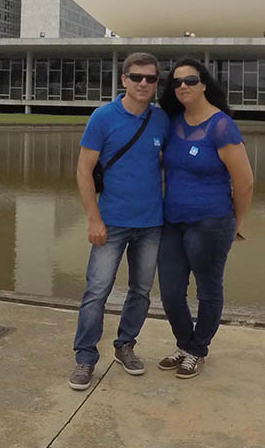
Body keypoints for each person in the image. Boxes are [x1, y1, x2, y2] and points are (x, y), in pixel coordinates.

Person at [68, 51, 170, 391]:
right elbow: (83, 171)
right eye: (136, 77)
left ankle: (125, 345)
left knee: (141, 291)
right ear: (124, 79)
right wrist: (93, 219)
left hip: (151, 223)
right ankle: (85, 357)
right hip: (110, 222)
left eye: (150, 78)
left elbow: (168, 163)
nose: (143, 83)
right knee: (96, 291)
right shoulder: (103, 117)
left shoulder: (161, 120)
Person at [154, 58, 254, 379]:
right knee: (170, 293)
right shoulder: (172, 123)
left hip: (211, 222)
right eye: (177, 82)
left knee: (208, 291)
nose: (183, 86)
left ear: (204, 85)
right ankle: (186, 344)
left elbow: (244, 181)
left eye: (190, 80)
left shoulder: (221, 126)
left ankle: (197, 350)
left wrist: (237, 222)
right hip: (172, 222)